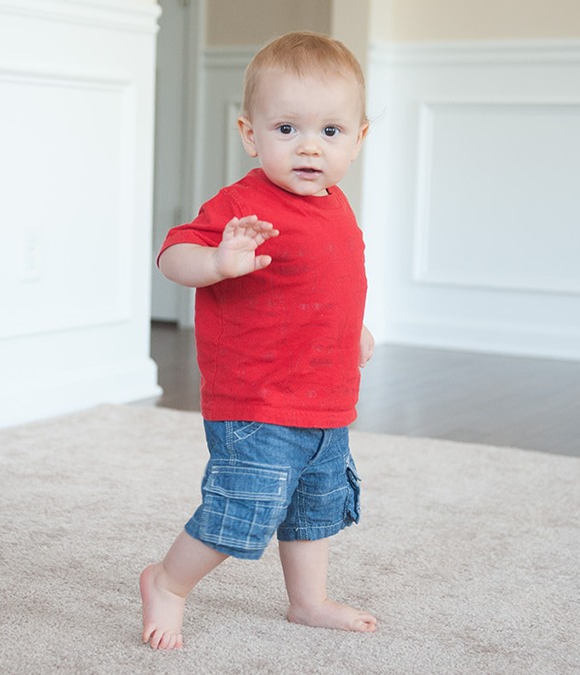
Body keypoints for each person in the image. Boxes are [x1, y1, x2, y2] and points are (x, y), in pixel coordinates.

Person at [140, 31, 377, 650]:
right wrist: (218, 263)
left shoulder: (337, 206)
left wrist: (352, 329)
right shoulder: (243, 204)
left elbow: (330, 284)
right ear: (250, 134)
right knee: (241, 508)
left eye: (330, 131)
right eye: (286, 128)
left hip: (325, 401)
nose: (309, 146)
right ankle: (167, 582)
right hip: (257, 401)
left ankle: (308, 601)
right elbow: (173, 255)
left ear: (358, 139)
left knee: (314, 509)